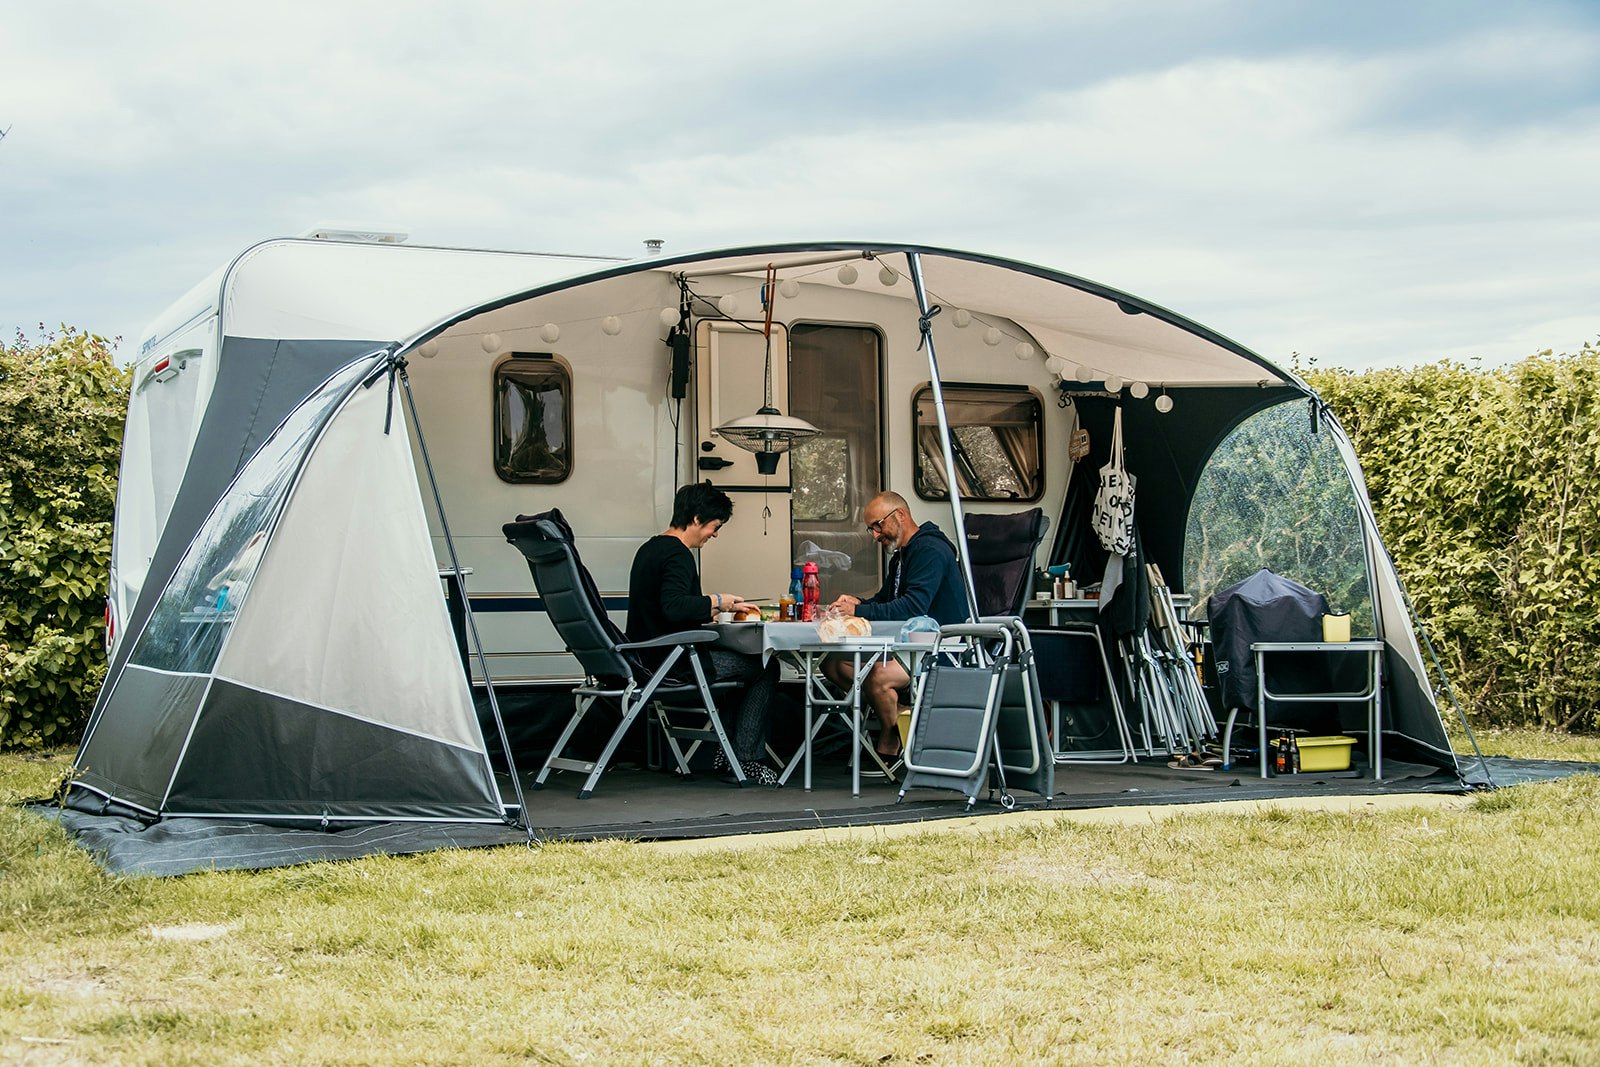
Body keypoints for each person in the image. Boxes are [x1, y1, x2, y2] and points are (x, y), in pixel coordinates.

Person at [626, 482, 780, 785]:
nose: (715, 533)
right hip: (673, 663)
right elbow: (673, 607)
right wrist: (716, 601)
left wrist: (713, 608)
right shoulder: (678, 554)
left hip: (646, 657)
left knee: (741, 668)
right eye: (715, 525)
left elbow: (663, 607)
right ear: (697, 518)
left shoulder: (650, 549)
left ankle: (729, 754)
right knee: (765, 666)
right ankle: (747, 759)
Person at [824, 491, 967, 761]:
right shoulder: (902, 555)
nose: (876, 535)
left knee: (878, 676)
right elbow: (887, 601)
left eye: (878, 526)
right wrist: (859, 603)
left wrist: (860, 611)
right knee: (834, 664)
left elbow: (914, 607)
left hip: (940, 646)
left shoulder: (930, 551)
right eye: (871, 529)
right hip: (907, 644)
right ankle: (900, 713)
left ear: (900, 515)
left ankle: (891, 738)